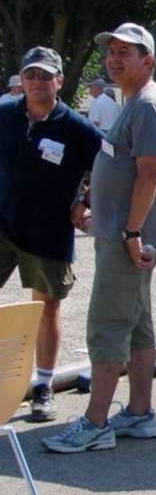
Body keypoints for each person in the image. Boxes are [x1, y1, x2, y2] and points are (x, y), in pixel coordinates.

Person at [43, 22, 156, 453]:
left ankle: (95, 423)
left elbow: (149, 172)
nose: (115, 58)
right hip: (126, 237)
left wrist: (133, 232)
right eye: (112, 51)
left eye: (128, 51)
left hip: (127, 242)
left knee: (107, 327)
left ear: (149, 61)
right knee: (138, 327)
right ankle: (140, 413)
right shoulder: (134, 102)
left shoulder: (147, 106)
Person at [0, 47, 103, 422]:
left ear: (59, 81)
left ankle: (42, 386)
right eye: (31, 75)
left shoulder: (77, 128)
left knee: (46, 308)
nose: (37, 82)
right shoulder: (4, 114)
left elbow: (107, 171)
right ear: (21, 79)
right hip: (3, 224)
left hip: (47, 232)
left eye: (45, 76)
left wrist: (84, 201)